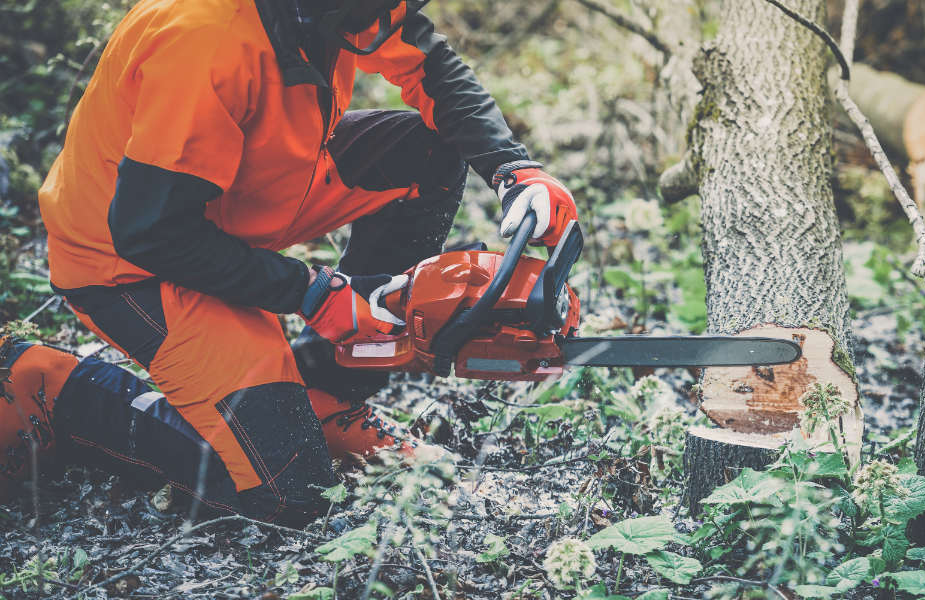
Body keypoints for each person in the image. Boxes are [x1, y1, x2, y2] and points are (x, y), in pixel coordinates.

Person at [1, 0, 577, 527]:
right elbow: (152, 233)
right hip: (137, 262)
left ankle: (321, 385)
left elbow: (430, 64)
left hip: (240, 195)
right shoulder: (206, 40)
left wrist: (512, 167)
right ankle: (51, 387)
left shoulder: (335, 7)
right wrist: (316, 292)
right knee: (290, 496)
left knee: (432, 149)